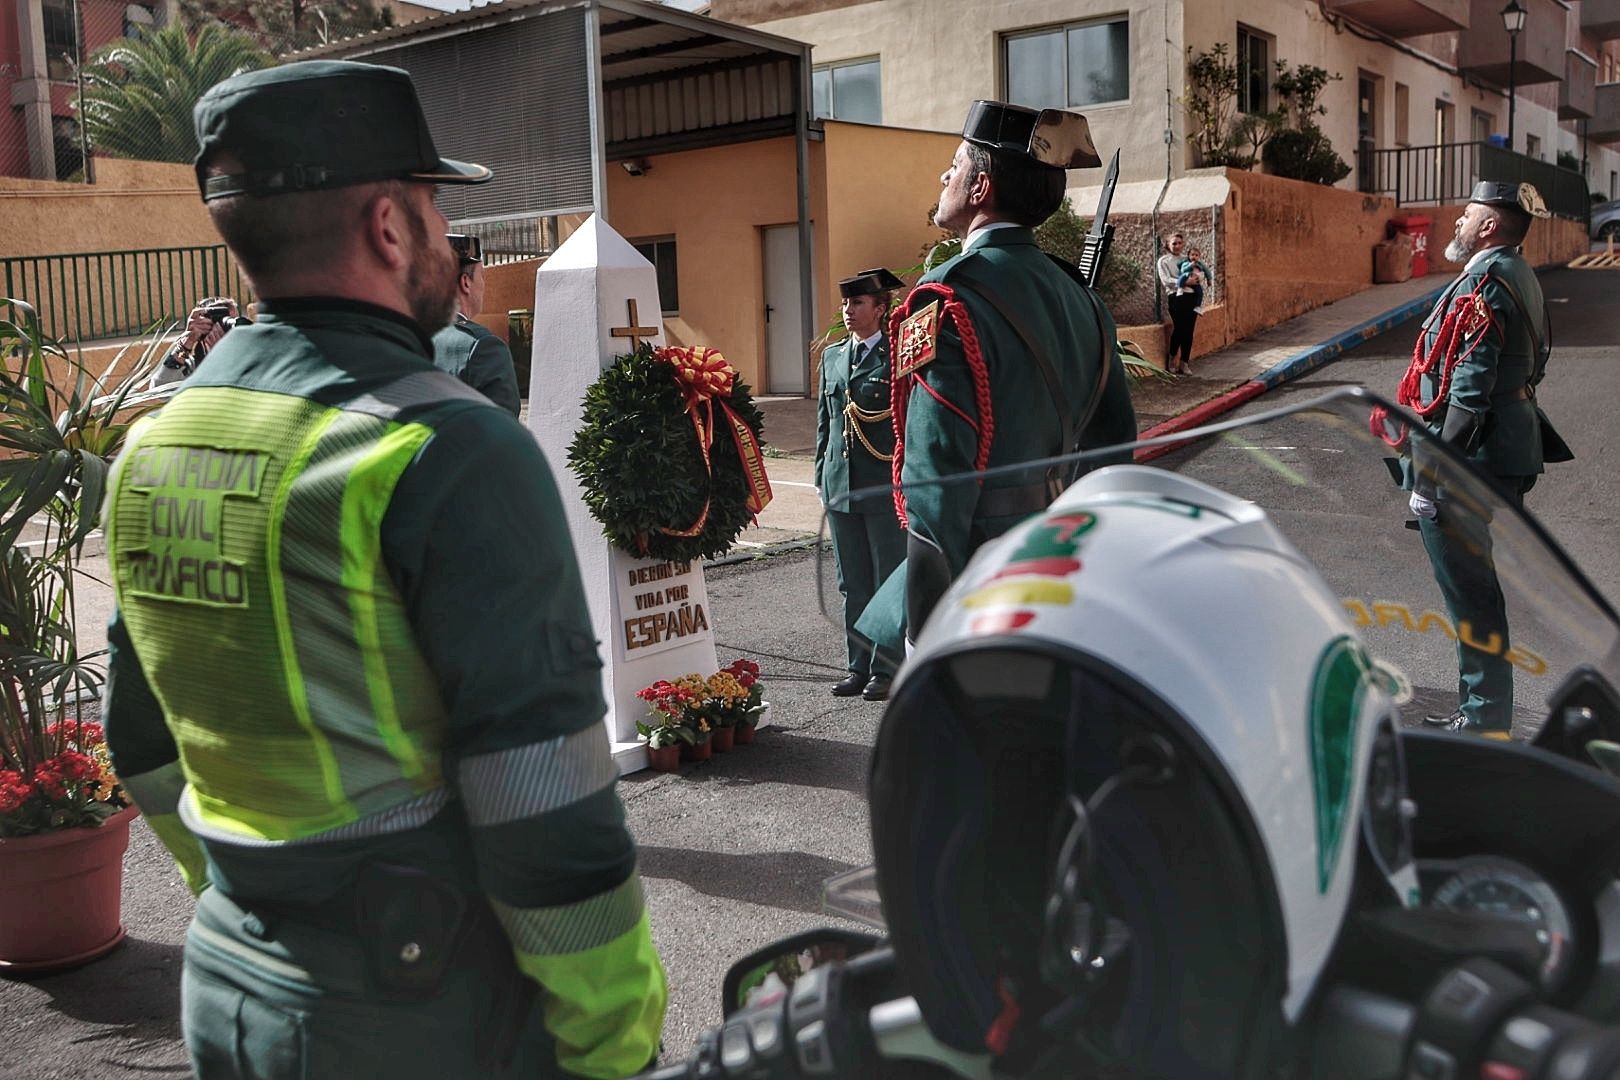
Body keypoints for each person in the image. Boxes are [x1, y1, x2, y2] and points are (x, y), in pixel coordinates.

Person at [101, 59, 666, 1080]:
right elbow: (542, 798)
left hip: (233, 988)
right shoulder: (448, 447)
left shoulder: (154, 443)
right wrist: (616, 1048)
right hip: (421, 1017)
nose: (449, 241)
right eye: (436, 207)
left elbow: (141, 741)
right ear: (389, 227)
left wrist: (251, 898)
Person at [854, 100, 1137, 664]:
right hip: (1055, 564)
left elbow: (935, 477)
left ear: (980, 187)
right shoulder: (1081, 298)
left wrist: (922, 631)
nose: (944, 176)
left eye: (955, 165)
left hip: (976, 582)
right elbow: (1112, 452)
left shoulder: (944, 296)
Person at [1403, 180, 1564, 738]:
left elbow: (1467, 391)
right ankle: (1486, 707)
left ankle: (1483, 715)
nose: (1458, 223)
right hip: (1503, 446)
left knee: (1469, 590)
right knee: (1476, 586)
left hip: (1473, 458)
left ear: (1489, 227)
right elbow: (1537, 358)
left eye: (1467, 215)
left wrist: (1430, 474)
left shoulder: (1488, 279)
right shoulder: (1517, 272)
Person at [815, 267, 907, 702]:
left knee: (886, 576)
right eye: (846, 304)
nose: (848, 311)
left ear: (880, 308)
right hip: (841, 484)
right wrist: (821, 475)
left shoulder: (896, 355)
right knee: (852, 581)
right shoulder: (832, 356)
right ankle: (858, 665)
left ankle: (886, 669)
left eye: (857, 304)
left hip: (882, 484)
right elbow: (825, 424)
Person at [432, 232, 522, 416]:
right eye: (482, 275)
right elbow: (503, 434)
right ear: (465, 282)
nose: (484, 284)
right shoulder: (482, 347)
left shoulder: (399, 334)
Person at [149, 296, 250, 389]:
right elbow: (160, 387)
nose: (232, 328)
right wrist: (188, 341)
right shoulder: (193, 365)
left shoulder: (251, 358)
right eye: (223, 323)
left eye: (234, 321)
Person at [1156, 231, 1198, 374]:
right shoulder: (1163, 261)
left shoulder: (1187, 260)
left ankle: (1184, 362)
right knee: (1180, 328)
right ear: (1168, 245)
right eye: (1174, 243)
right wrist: (1184, 281)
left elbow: (1197, 274)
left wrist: (1196, 279)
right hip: (1176, 297)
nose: (1177, 246)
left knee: (1189, 330)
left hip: (1191, 297)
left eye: (1180, 243)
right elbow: (1166, 280)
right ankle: (1173, 357)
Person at [1179, 244, 1211, 315]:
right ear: (1189, 256)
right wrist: (1190, 265)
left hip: (1196, 282)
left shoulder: (1200, 264)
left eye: (1196, 255)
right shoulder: (1186, 263)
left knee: (1200, 293)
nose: (1194, 257)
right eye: (1192, 255)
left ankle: (1197, 307)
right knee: (1181, 278)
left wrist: (1209, 280)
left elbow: (1207, 271)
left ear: (1199, 257)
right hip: (1187, 280)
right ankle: (1180, 288)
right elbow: (1182, 270)